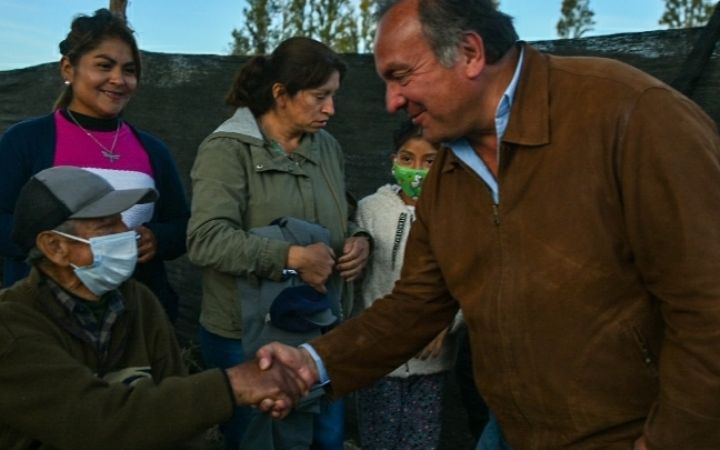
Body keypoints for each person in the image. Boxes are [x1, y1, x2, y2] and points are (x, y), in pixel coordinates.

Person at [255, 1, 720, 449]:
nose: (392, 101)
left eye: (400, 76)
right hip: (517, 432)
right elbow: (416, 306)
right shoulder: (447, 175)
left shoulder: (632, 115)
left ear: (471, 53)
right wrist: (313, 363)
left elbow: (708, 307)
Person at [0, 166, 305, 450]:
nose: (128, 232)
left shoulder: (138, 301)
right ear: (55, 247)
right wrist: (233, 386)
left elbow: (180, 425)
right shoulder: (8, 323)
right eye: (106, 226)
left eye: (122, 221)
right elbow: (94, 423)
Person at [187, 36, 371, 449]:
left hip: (319, 330)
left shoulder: (327, 147)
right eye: (320, 96)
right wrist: (291, 257)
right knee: (261, 440)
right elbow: (205, 240)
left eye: (334, 96)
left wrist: (358, 239)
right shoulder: (227, 150)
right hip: (246, 337)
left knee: (327, 437)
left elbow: (343, 210)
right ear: (280, 94)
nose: (331, 109)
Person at [0, 8, 187, 323]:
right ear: (68, 69)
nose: (118, 79)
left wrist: (157, 238)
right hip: (48, 318)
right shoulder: (27, 140)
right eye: (104, 66)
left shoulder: (152, 150)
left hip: (135, 320)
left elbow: (181, 224)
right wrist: (68, 246)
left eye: (129, 70)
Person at [354, 121, 457, 449]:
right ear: (393, 160)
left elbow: (473, 281)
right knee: (379, 439)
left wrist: (449, 323)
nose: (417, 170)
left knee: (421, 440)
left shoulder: (460, 212)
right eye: (407, 158)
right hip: (377, 355)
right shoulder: (370, 210)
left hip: (432, 359)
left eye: (429, 161)